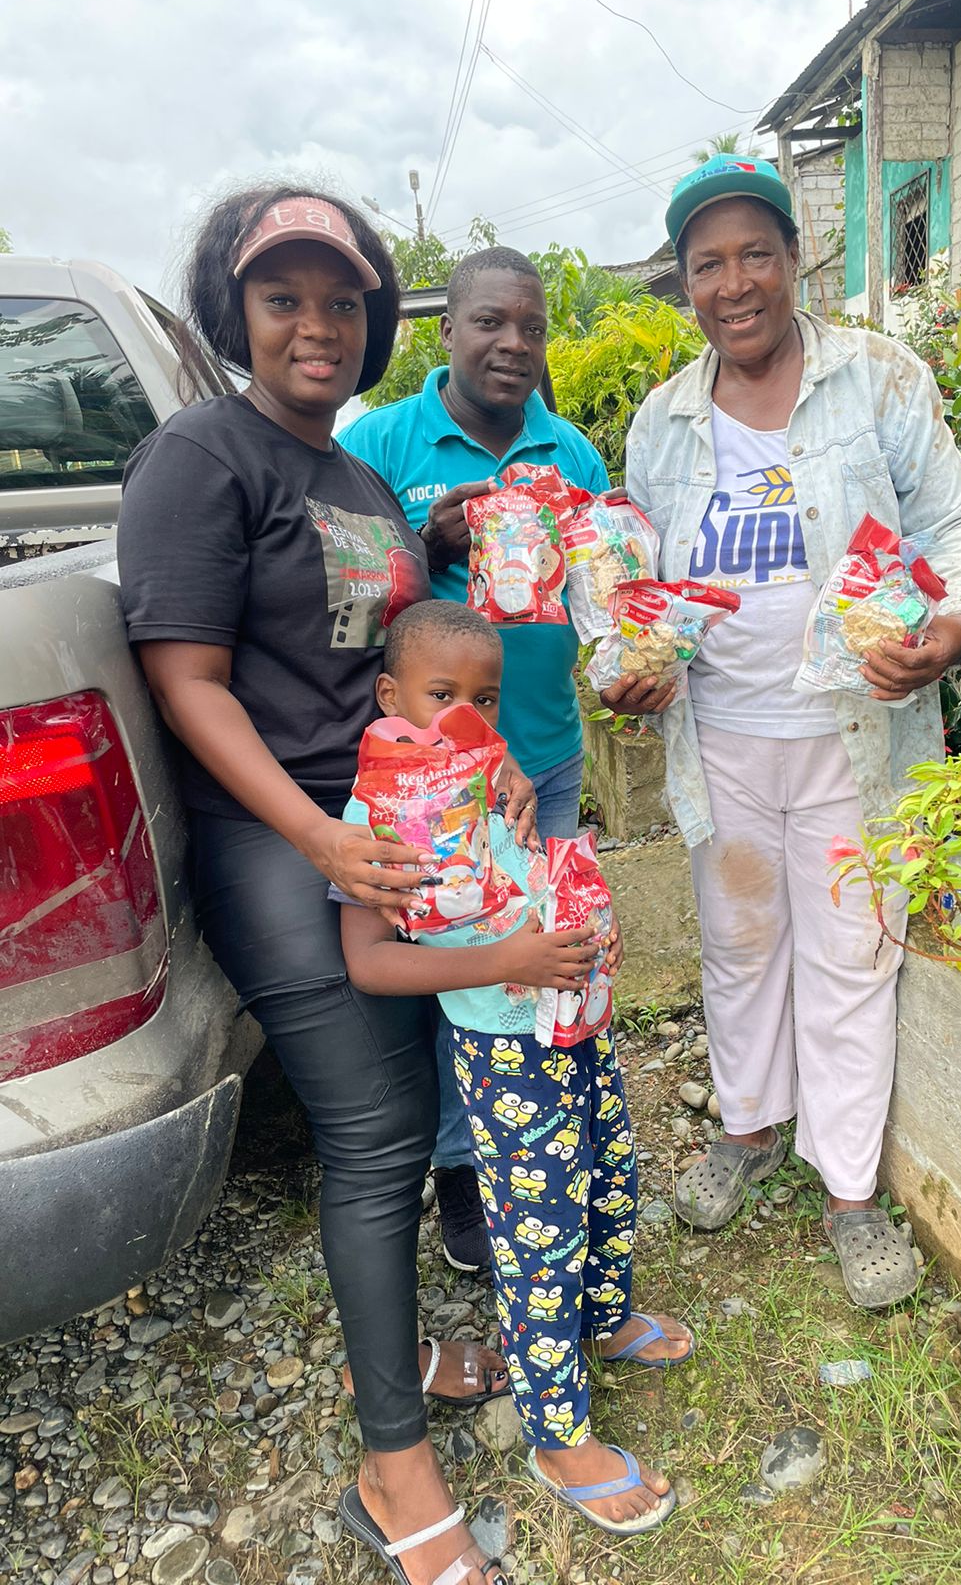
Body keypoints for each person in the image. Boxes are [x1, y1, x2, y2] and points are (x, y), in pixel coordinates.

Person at [118, 187, 531, 1585]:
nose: (316, 324)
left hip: (383, 827)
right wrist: (315, 836)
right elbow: (188, 682)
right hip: (277, 836)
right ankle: (391, 1465)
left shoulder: (354, 480)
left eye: (342, 301)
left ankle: (387, 1351)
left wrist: (484, 773)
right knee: (374, 1129)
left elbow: (400, 685)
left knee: (407, 1106)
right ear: (233, 311)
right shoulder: (200, 455)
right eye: (283, 296)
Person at [612, 156, 961, 1309]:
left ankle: (850, 1190)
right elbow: (635, 583)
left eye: (754, 255)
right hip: (723, 734)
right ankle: (747, 1126)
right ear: (686, 284)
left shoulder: (878, 379)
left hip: (856, 735)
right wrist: (632, 663)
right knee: (739, 941)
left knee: (852, 950)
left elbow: (956, 522)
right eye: (707, 264)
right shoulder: (663, 422)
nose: (733, 284)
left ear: (794, 260)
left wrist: (951, 626)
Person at [338, 599, 692, 1541]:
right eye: (441, 695)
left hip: (574, 1017)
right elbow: (369, 961)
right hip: (503, 1047)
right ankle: (557, 1434)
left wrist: (579, 916)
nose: (465, 715)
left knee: (611, 1176)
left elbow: (531, 875)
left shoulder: (499, 774)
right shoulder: (375, 813)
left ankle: (604, 1320)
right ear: (390, 697)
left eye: (484, 699)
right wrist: (507, 961)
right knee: (541, 1231)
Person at [340, 248, 610, 1273]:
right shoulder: (379, 443)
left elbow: (604, 593)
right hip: (423, 792)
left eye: (531, 327)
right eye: (490, 322)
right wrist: (425, 542)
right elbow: (344, 599)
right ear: (447, 329)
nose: (512, 344)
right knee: (452, 961)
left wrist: (637, 655)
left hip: (543, 760)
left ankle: (547, 1129)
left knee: (539, 954)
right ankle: (461, 1164)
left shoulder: (571, 454)